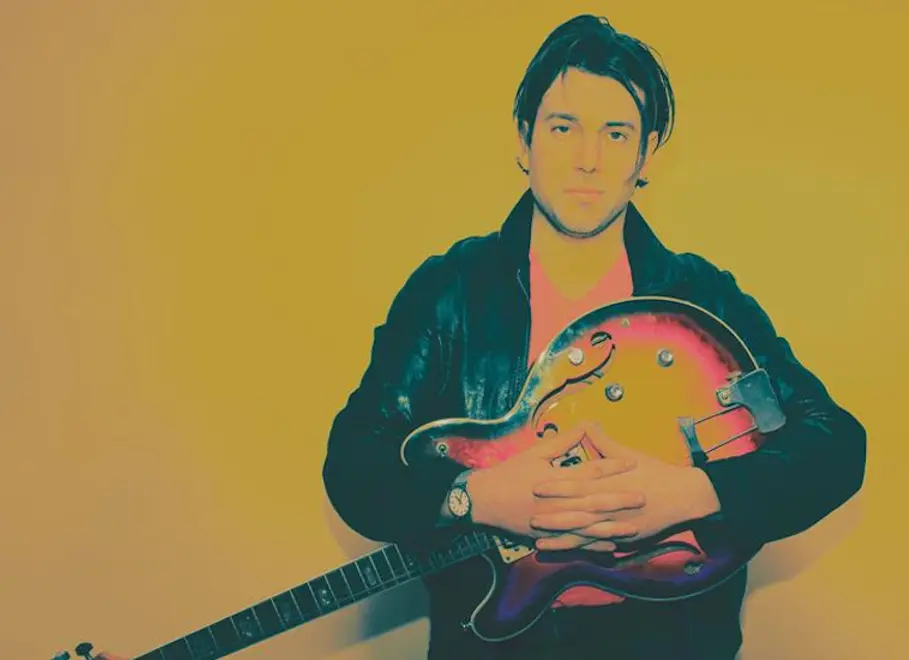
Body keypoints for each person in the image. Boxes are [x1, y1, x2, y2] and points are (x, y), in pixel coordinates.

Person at [91, 13, 867, 660]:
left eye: (616, 132)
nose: (588, 159)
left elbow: (834, 444)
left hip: (673, 642)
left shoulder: (701, 298)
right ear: (524, 142)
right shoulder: (449, 293)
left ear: (646, 153)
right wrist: (475, 496)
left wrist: (691, 494)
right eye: (562, 127)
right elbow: (354, 464)